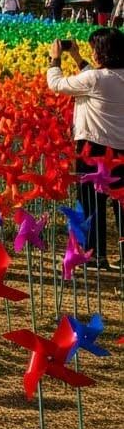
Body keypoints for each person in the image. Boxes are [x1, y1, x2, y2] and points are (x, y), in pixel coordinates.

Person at [47, 29, 124, 267]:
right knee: (121, 202)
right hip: (120, 150)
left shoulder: (95, 80)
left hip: (93, 148)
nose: (92, 53)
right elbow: (100, 78)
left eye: (93, 49)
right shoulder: (111, 76)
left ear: (101, 52)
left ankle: (94, 254)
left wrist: (55, 60)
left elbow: (56, 84)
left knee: (91, 201)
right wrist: (79, 60)